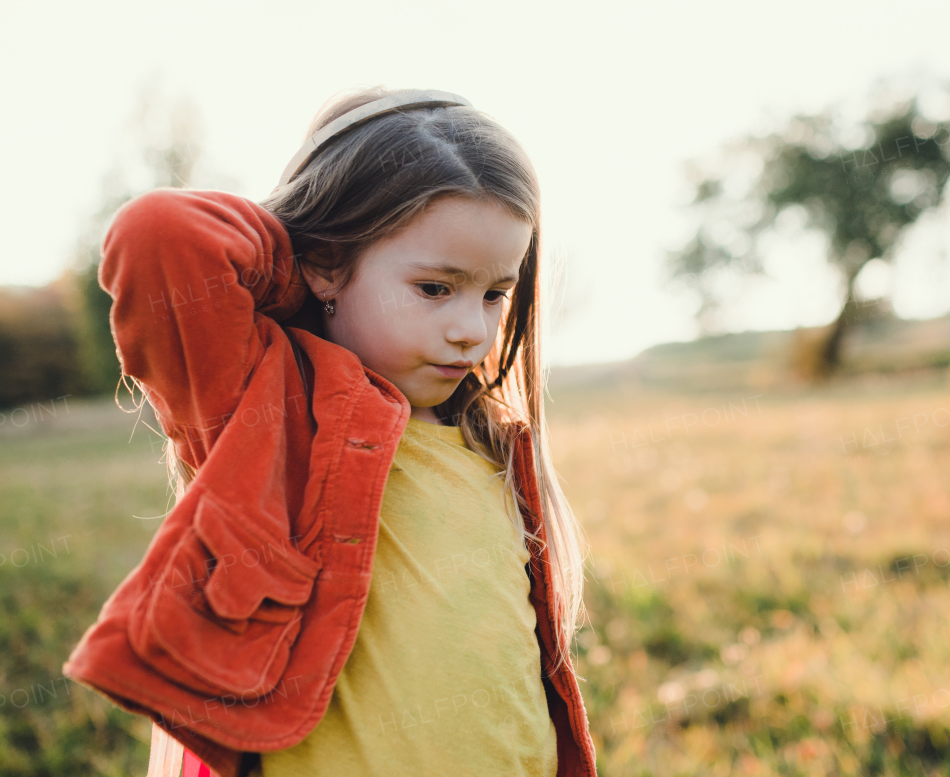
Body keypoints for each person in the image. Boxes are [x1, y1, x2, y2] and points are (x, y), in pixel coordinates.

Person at [62, 87, 597, 777]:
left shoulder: (489, 440)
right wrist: (307, 274)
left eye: (495, 293)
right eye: (436, 288)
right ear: (323, 264)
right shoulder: (273, 405)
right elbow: (161, 234)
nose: (473, 328)